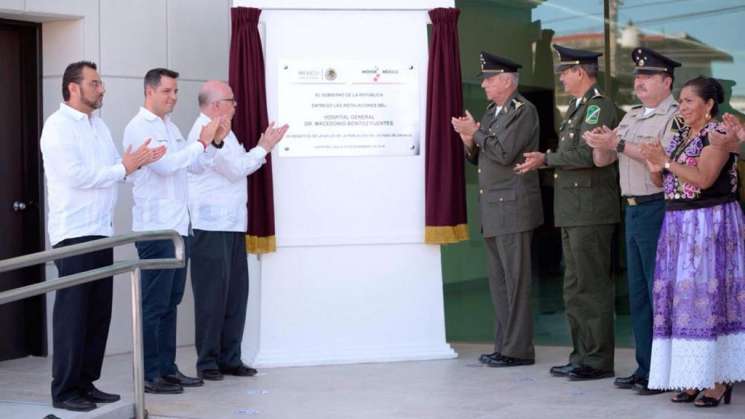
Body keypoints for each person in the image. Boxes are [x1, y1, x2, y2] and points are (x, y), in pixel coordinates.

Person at [40, 61, 165, 411]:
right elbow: (76, 176)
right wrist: (123, 167)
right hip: (75, 231)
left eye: (101, 82)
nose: (102, 88)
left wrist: (137, 163)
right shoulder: (58, 127)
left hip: (101, 230)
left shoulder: (99, 125)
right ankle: (65, 390)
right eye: (94, 83)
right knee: (73, 315)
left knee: (97, 313)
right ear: (72, 89)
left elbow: (115, 168)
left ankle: (86, 382)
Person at [515, 44, 621, 381]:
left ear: (580, 72)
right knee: (575, 287)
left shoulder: (597, 108)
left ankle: (597, 360)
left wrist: (546, 158)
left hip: (590, 210)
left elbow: (588, 155)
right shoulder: (576, 108)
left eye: (565, 70)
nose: (560, 77)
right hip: (574, 211)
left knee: (591, 287)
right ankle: (582, 355)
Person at [640, 76, 745, 408]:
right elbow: (663, 178)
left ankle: (718, 381)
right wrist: (655, 162)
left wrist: (667, 162)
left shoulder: (717, 135)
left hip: (708, 224)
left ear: (709, 105)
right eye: (681, 101)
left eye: (688, 101)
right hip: (679, 224)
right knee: (682, 301)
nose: (682, 107)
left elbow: (703, 178)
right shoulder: (681, 135)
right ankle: (691, 376)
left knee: (708, 298)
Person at [584, 48, 681, 395]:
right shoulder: (632, 115)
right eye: (637, 77)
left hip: (658, 207)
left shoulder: (675, 116)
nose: (639, 83)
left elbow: (663, 156)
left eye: (647, 77)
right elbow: (603, 160)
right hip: (633, 209)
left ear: (666, 82)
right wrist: (599, 143)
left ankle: (667, 371)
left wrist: (618, 142)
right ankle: (646, 368)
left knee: (659, 293)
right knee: (638, 295)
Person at [123, 68, 224, 394]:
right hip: (156, 230)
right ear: (149, 91)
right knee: (153, 305)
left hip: (179, 227)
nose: (174, 97)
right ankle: (148, 374)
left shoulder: (171, 127)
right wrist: (199, 143)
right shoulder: (139, 127)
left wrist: (212, 145)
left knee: (170, 302)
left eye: (176, 91)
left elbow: (192, 166)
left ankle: (167, 369)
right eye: (167, 91)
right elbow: (166, 167)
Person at [187, 80, 288, 380]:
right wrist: (264, 147)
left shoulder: (225, 131)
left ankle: (230, 358)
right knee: (211, 297)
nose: (236, 105)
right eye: (232, 100)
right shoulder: (204, 132)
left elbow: (238, 164)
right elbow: (235, 169)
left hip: (231, 225)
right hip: (210, 226)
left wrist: (260, 148)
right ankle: (207, 362)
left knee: (234, 294)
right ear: (216, 105)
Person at [451, 52, 542, 367]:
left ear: (506, 80)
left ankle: (518, 350)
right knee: (500, 281)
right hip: (494, 207)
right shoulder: (492, 112)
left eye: (489, 79)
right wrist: (468, 138)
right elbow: (480, 156)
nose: (485, 85)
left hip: (513, 206)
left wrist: (474, 133)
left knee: (516, 281)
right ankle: (504, 345)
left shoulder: (522, 111)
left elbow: (503, 153)